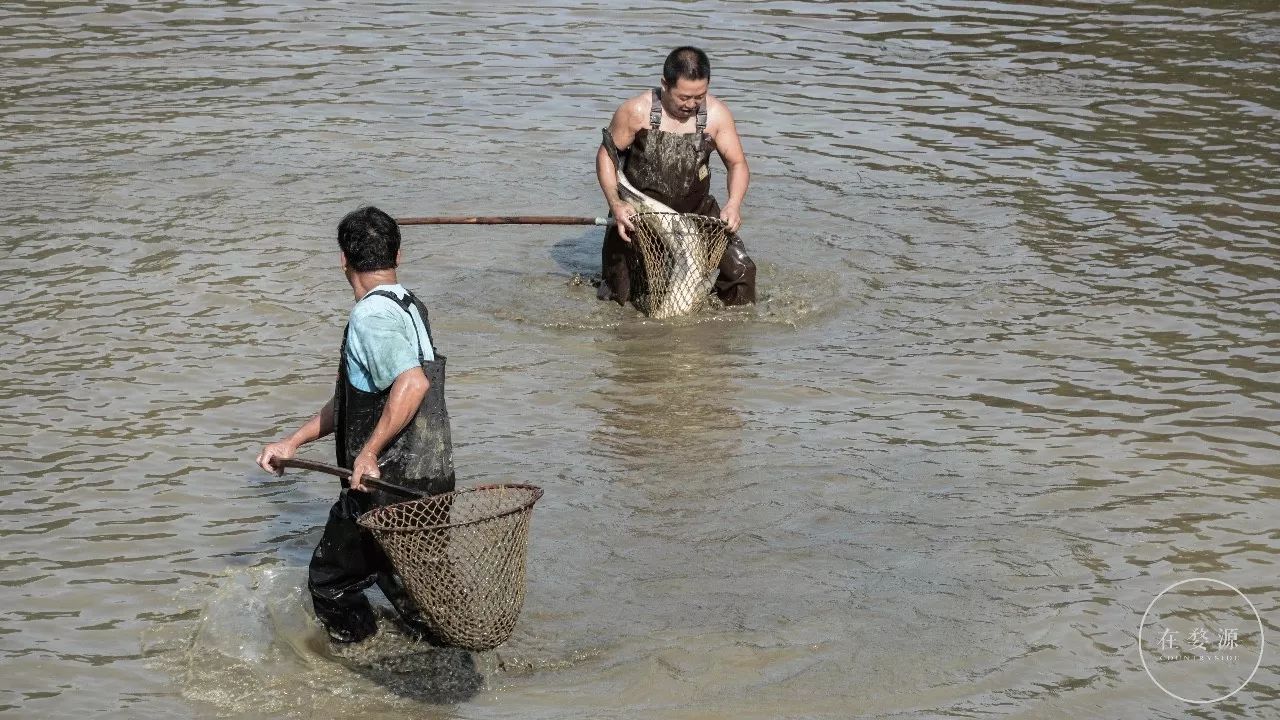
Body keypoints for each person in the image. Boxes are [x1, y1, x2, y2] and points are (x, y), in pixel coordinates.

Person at [256, 206, 455, 644]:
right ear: (398, 255)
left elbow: (412, 382)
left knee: (330, 582)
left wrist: (367, 453)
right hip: (430, 480)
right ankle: (442, 667)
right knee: (415, 591)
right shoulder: (409, 305)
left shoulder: (370, 317)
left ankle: (362, 670)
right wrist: (294, 442)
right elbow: (358, 397)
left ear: (343, 259)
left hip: (380, 488)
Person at [596, 46, 756, 307]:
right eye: (684, 97)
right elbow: (607, 156)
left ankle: (726, 334)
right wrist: (616, 204)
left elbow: (737, 163)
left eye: (699, 96)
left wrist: (734, 204)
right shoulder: (636, 111)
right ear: (664, 85)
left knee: (742, 272)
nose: (691, 105)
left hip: (696, 213)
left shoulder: (717, 115)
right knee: (619, 296)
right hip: (640, 214)